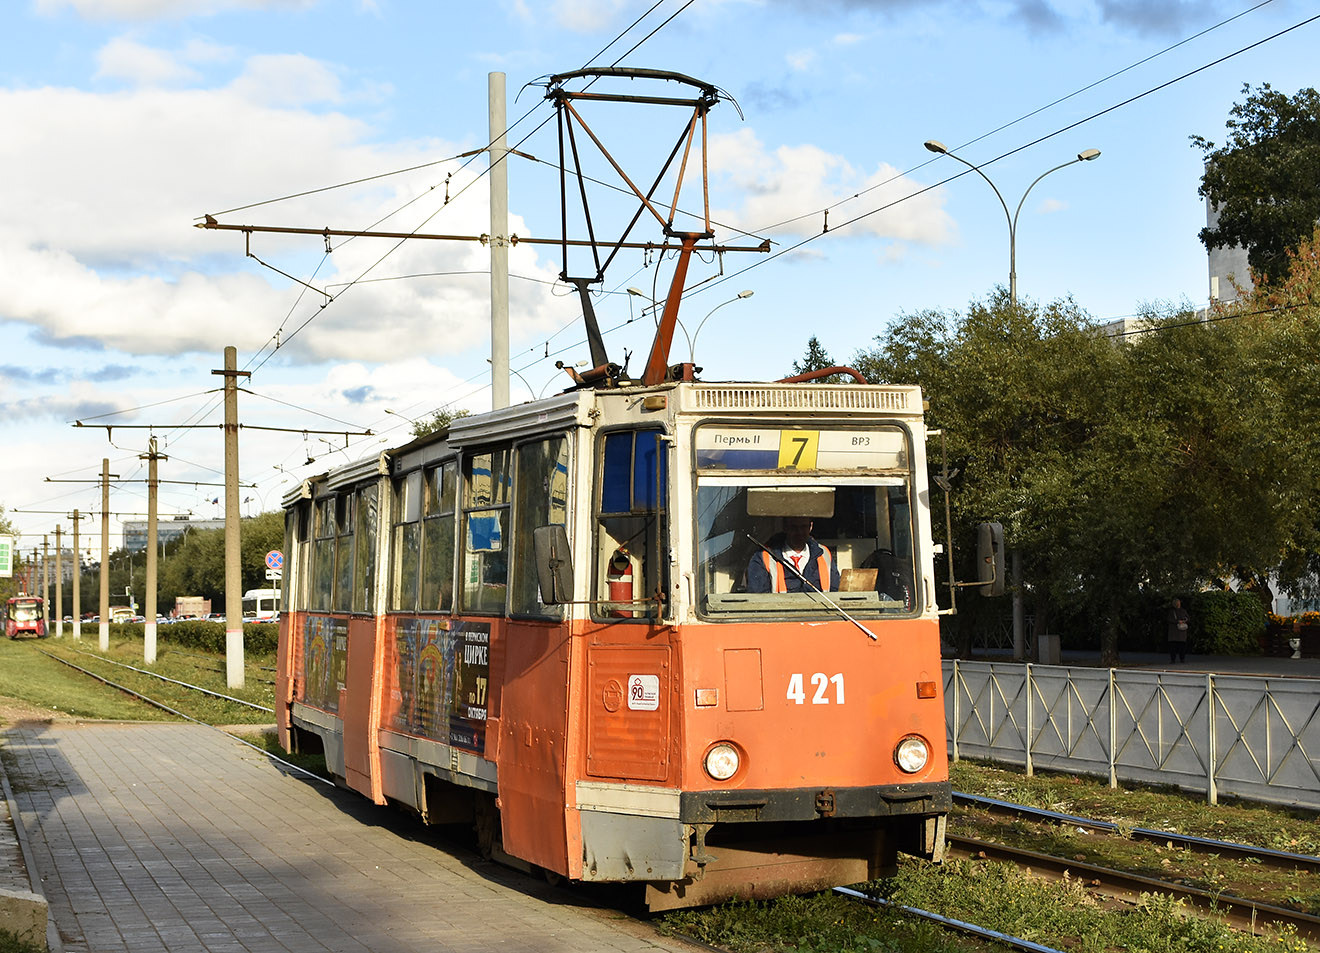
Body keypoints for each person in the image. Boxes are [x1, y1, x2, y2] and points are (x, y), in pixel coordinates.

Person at [746, 517, 840, 593]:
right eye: (794, 527)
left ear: (810, 527)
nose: (799, 532)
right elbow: (757, 597)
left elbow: (835, 591)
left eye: (803, 527)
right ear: (785, 527)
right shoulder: (763, 557)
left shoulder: (824, 554)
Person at [1166, 598, 1190, 663]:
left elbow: (1169, 619)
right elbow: (1188, 618)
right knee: (1181, 647)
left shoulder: (1172, 611)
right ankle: (1181, 659)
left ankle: (1174, 659)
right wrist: (1182, 621)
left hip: (1174, 633)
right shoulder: (1182, 611)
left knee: (1174, 647)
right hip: (1180, 632)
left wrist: (1178, 621)